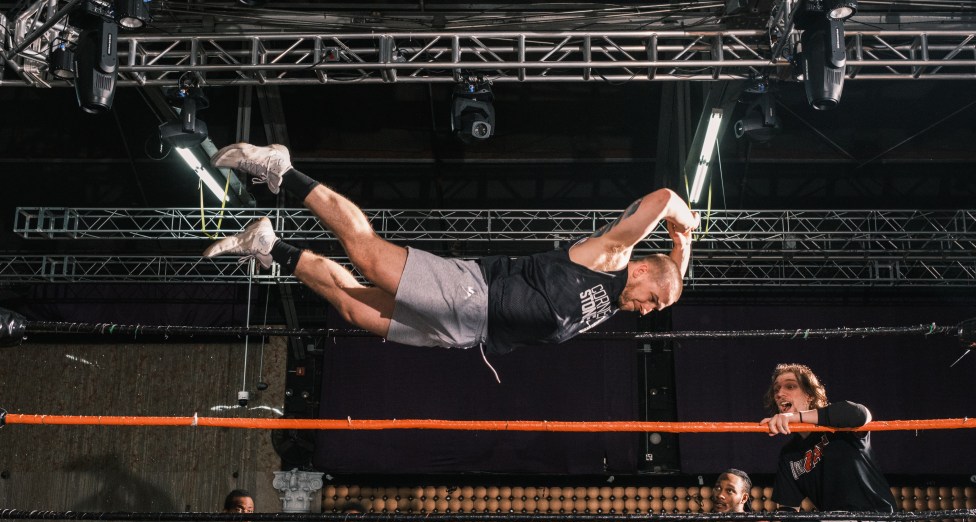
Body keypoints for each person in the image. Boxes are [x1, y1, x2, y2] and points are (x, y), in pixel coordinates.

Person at [202, 142, 700, 355]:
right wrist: (686, 231)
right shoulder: (609, 259)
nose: (649, 312)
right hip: (473, 295)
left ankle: (268, 245)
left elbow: (671, 280)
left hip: (469, 334)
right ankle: (282, 170)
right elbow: (664, 199)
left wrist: (679, 265)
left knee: (355, 309)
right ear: (638, 270)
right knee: (369, 255)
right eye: (654, 300)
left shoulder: (618, 300)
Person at [746, 363, 901, 522]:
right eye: (777, 389)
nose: (780, 393)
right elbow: (788, 506)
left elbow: (861, 414)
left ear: (809, 395)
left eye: (790, 386)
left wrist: (795, 417)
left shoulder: (837, 427)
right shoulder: (790, 454)